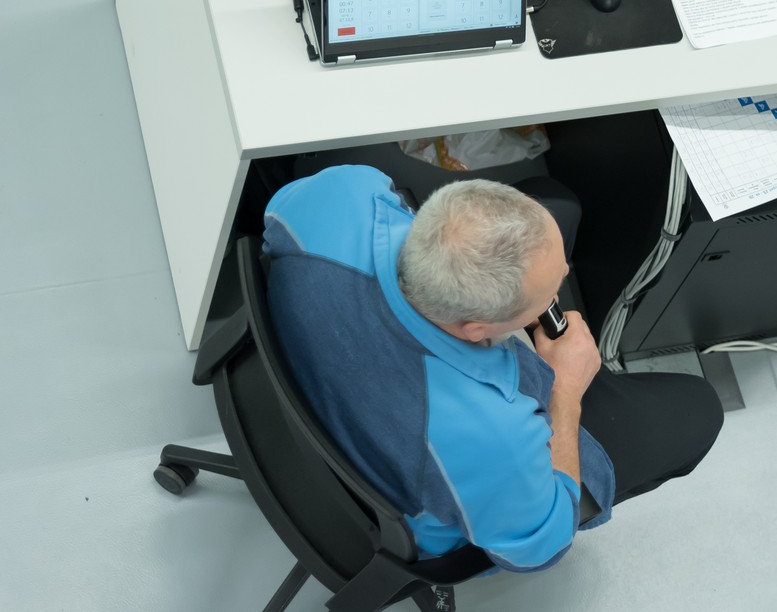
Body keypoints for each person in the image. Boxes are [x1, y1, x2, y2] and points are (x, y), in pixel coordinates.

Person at [262, 165, 724, 573]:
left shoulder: (343, 193)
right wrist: (565, 392)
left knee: (557, 199)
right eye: (547, 297)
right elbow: (539, 549)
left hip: (319, 379)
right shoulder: (490, 437)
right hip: (414, 494)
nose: (560, 290)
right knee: (699, 410)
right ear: (475, 329)